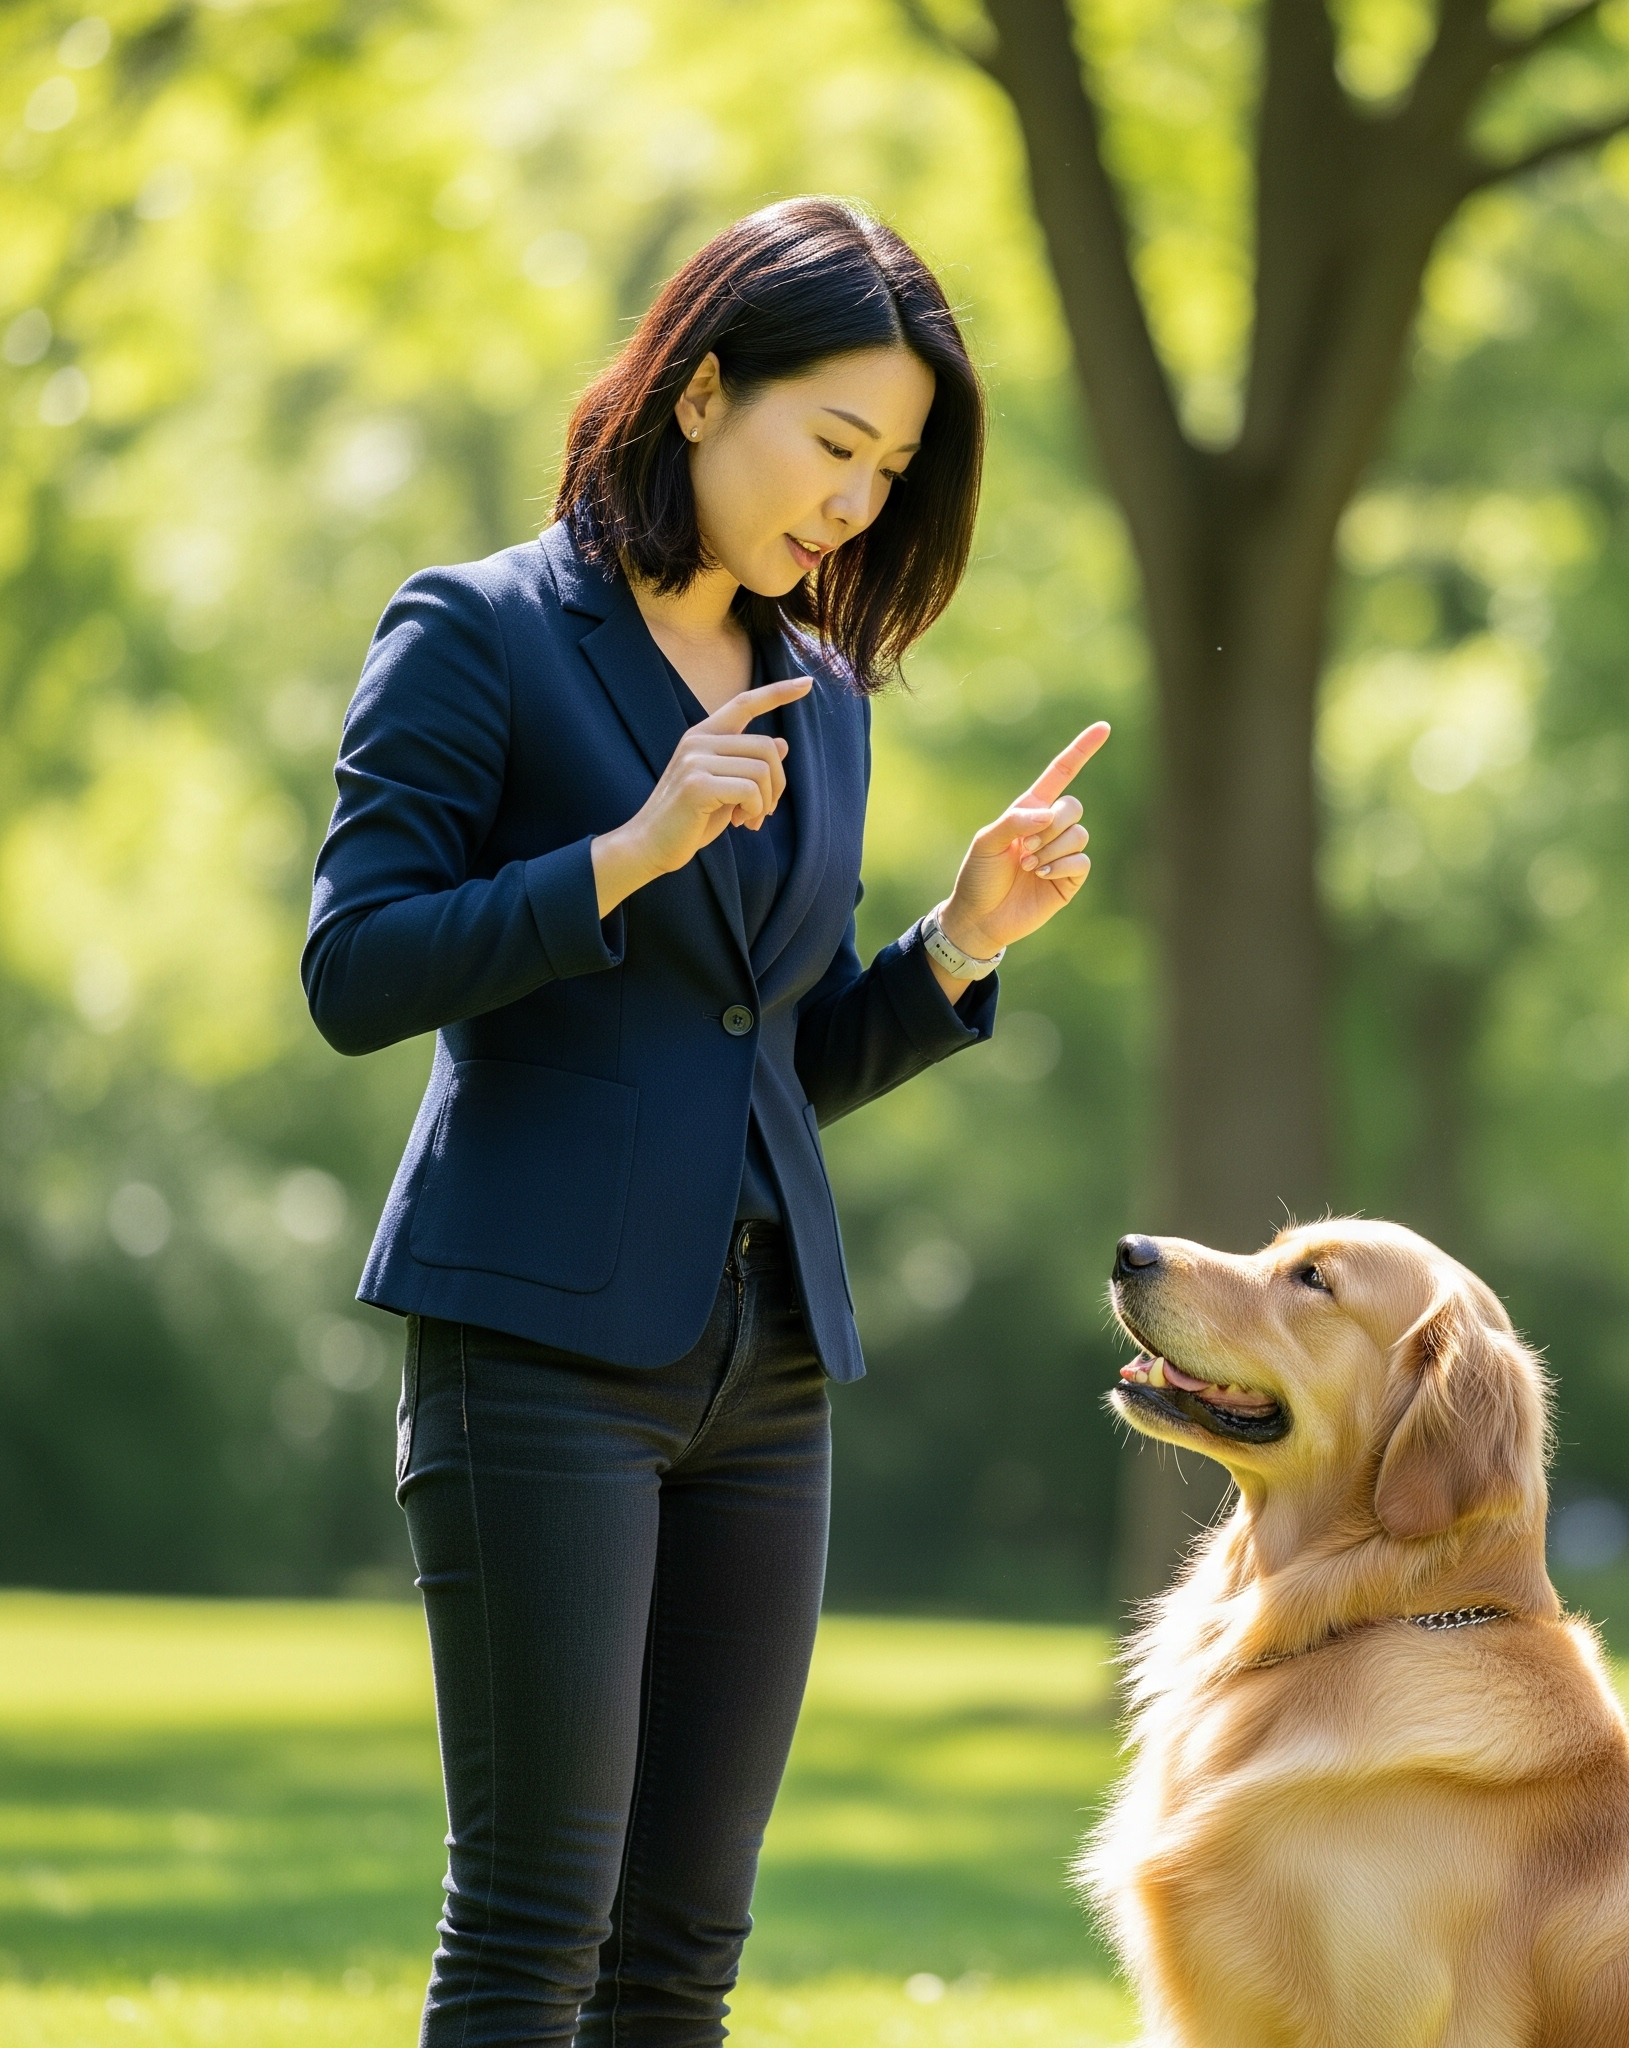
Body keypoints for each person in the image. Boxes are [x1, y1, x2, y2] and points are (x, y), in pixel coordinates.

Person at [302, 196, 1108, 2047]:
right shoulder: (478, 632)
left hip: (768, 1370)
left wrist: (958, 942)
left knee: (683, 1952)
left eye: (888, 474)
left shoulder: (819, 696)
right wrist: (628, 851)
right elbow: (356, 971)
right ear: (701, 388)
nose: (852, 505)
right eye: (834, 446)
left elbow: (770, 1062)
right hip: (536, 1352)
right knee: (532, 1929)